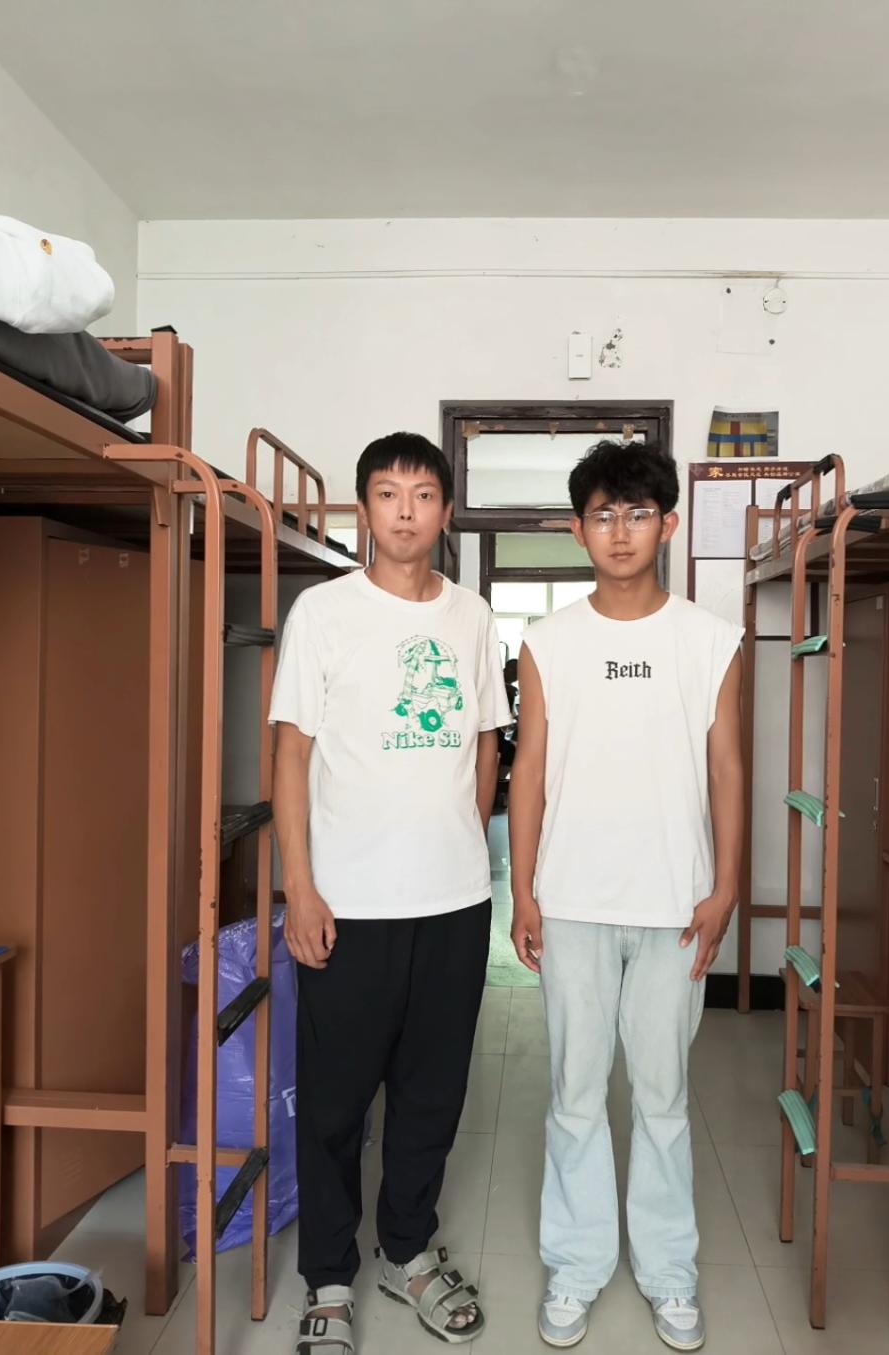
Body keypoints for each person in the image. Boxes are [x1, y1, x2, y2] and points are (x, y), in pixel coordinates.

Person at [271, 432, 510, 1354]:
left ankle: (405, 1248)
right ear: (365, 507)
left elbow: (486, 743)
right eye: (387, 492)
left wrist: (462, 843)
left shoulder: (473, 616)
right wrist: (300, 885)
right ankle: (329, 1276)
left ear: (445, 511)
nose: (405, 510)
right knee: (335, 1102)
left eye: (423, 494)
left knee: (431, 1095)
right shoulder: (324, 613)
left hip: (454, 905)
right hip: (349, 904)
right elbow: (292, 753)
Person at [509, 440, 744, 1352]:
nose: (620, 531)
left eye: (637, 513)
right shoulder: (548, 640)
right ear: (578, 529)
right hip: (571, 899)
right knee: (573, 1094)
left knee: (663, 1097)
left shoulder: (709, 639)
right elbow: (528, 771)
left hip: (675, 903)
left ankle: (669, 1272)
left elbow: (726, 768)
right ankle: (575, 1265)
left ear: (667, 524)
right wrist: (523, 889)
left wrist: (726, 884)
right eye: (602, 515)